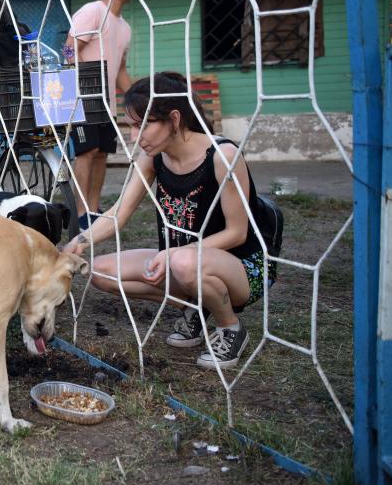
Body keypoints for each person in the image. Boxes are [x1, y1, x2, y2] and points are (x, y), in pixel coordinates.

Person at [65, 72, 274, 370]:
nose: (134, 137)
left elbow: (237, 233)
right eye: (131, 126)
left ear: (174, 119)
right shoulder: (154, 158)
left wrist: (175, 254)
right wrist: (79, 241)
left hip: (242, 267)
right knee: (100, 273)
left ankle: (231, 328)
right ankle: (197, 308)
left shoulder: (222, 156)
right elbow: (118, 213)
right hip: (182, 262)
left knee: (184, 263)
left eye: (142, 125)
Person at [65, 0, 135, 230]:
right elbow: (70, 49)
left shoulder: (125, 28)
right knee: (87, 151)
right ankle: (81, 212)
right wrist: (79, 85)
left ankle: (93, 209)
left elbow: (120, 71)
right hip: (84, 96)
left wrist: (139, 99)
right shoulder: (93, 11)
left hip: (107, 101)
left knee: (103, 153)